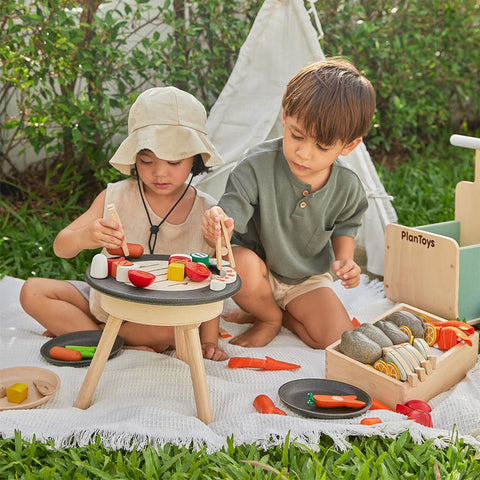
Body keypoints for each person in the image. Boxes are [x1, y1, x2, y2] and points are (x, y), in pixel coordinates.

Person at [20, 86, 228, 360]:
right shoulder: (115, 196)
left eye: (174, 161)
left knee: (170, 331)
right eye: (146, 160)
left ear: (195, 159)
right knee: (32, 291)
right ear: (134, 158)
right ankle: (112, 339)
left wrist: (209, 339)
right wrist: (86, 237)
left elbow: (216, 277)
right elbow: (61, 247)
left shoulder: (207, 210)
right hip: (106, 303)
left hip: (157, 319)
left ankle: (91, 336)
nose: (159, 172)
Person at [202, 58, 376, 349]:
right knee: (238, 262)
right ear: (285, 115)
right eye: (297, 135)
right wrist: (218, 227)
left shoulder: (346, 185)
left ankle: (284, 316)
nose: (303, 153)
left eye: (321, 147)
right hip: (258, 274)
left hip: (306, 278)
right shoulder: (256, 166)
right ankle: (269, 316)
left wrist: (345, 259)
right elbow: (230, 217)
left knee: (335, 341)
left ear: (348, 146)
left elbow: (347, 222)